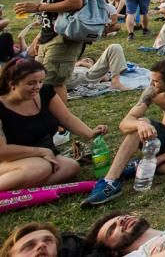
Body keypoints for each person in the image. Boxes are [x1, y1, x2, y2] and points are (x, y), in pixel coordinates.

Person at [82, 57, 165, 206]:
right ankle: (109, 182)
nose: (151, 84)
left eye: (155, 81)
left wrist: (158, 160)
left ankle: (140, 166)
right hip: (164, 135)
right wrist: (139, 124)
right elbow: (124, 124)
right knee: (139, 124)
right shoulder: (153, 92)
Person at [0, 59, 108, 192]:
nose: (37, 87)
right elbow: (2, 152)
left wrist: (90, 133)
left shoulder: (45, 92)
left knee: (71, 166)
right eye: (31, 83)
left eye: (40, 81)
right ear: (12, 84)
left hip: (42, 155)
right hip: (8, 160)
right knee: (42, 167)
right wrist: (41, 152)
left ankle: (22, 188)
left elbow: (66, 118)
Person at [15, 0, 88, 104]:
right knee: (43, 81)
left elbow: (75, 2)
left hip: (63, 37)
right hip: (51, 36)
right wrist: (41, 37)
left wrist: (38, 7)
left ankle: (60, 121)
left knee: (53, 84)